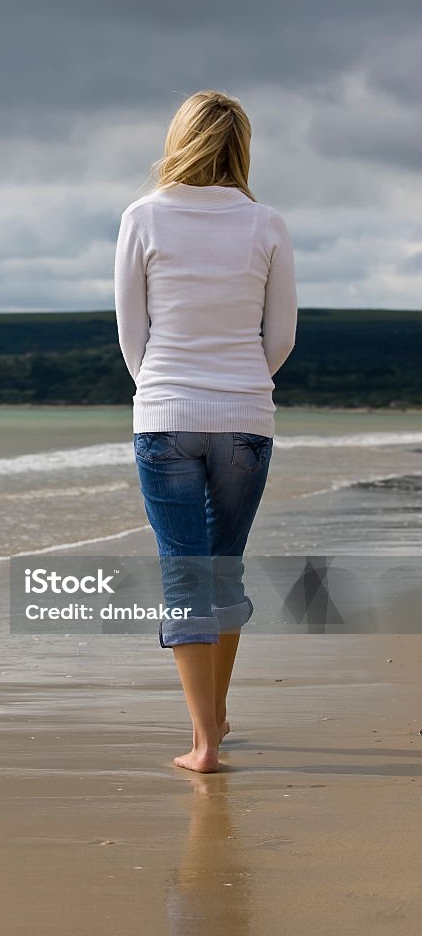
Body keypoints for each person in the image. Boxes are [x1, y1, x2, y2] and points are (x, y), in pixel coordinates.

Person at [114, 89, 297, 773]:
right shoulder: (266, 222)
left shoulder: (142, 217)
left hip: (165, 414)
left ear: (178, 140)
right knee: (221, 569)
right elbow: (278, 338)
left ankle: (203, 744)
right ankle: (213, 718)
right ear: (239, 146)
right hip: (247, 418)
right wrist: (241, 384)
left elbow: (132, 336)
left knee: (184, 574)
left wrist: (163, 389)